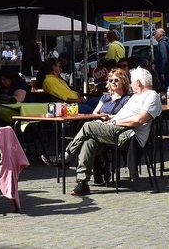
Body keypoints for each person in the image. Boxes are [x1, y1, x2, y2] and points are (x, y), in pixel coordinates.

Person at [63, 67, 162, 197]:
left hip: (129, 136)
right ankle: (83, 183)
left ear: (138, 82)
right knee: (89, 141)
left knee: (88, 126)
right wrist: (108, 122)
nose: (131, 83)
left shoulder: (152, 96)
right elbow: (120, 116)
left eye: (132, 81)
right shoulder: (134, 97)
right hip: (117, 130)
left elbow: (139, 120)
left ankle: (65, 158)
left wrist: (114, 123)